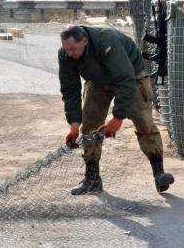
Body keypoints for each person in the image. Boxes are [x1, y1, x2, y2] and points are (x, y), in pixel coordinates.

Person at [58, 25, 174, 195]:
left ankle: (159, 173)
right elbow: (70, 90)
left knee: (144, 123)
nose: (69, 53)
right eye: (66, 49)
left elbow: (125, 79)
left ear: (85, 41)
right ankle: (92, 179)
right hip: (98, 80)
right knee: (89, 127)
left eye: (73, 49)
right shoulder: (65, 54)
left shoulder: (106, 40)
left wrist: (117, 118)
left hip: (131, 76)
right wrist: (74, 124)